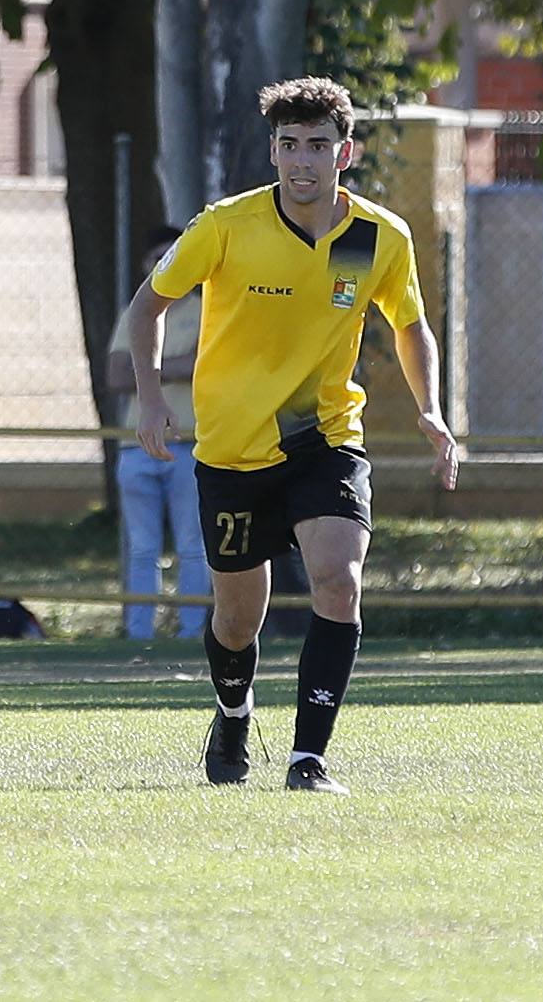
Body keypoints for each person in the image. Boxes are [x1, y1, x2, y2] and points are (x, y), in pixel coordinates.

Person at [126, 76, 457, 796]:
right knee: (239, 620)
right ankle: (233, 712)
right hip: (232, 449)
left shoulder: (374, 235)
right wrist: (151, 400)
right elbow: (147, 306)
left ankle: (309, 759)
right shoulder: (225, 226)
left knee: (339, 582)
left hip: (325, 439)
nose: (301, 159)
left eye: (316, 144)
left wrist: (430, 409)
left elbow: (409, 325)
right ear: (272, 151)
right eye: (287, 145)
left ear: (346, 152)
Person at [105, 226, 208, 641]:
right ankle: (138, 632)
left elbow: (202, 366)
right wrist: (173, 366)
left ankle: (194, 631)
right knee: (142, 549)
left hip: (188, 444)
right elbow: (114, 373)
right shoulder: (136, 312)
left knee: (192, 545)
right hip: (136, 447)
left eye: (173, 256)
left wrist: (146, 368)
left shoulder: (207, 309)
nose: (165, 266)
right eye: (156, 260)